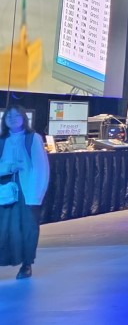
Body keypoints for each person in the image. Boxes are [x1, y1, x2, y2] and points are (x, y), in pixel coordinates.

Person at [0, 104, 50, 279]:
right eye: (9, 116)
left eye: (16, 116)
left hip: (27, 191)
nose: (12, 119)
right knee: (5, 228)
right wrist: (8, 167)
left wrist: (37, 194)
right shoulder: (2, 140)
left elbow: (41, 168)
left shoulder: (33, 138)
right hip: (5, 190)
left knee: (28, 228)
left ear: (23, 118)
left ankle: (26, 264)